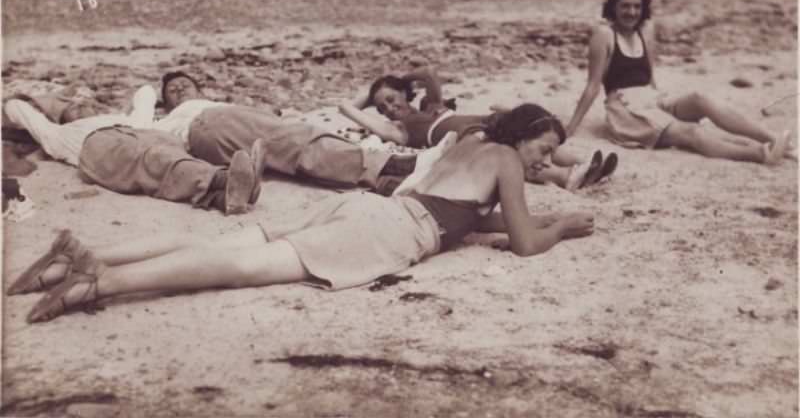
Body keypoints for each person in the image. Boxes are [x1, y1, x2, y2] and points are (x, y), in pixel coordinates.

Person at [11, 103, 595, 323]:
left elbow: (464, 215)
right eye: (543, 149)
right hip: (391, 229)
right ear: (524, 137)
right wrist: (563, 226)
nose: (544, 161)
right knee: (241, 268)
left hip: (370, 207)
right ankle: (99, 285)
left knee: (238, 248)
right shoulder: (508, 162)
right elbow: (523, 241)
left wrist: (501, 221)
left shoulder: (471, 143)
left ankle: (75, 260)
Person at [565, 0, 791, 164]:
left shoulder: (646, 30)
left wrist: (663, 105)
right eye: (625, 6)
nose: (631, 12)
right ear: (613, 7)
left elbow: (649, 75)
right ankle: (761, 155)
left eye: (637, 6)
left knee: (699, 99)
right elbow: (593, 86)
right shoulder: (603, 35)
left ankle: (773, 139)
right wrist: (570, 128)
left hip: (651, 99)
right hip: (625, 111)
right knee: (690, 133)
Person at [155, 71, 446, 194]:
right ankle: (386, 167)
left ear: (201, 90)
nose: (179, 87)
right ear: (165, 105)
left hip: (221, 130)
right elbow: (139, 105)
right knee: (292, 142)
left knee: (287, 155)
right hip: (202, 134)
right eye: (172, 90)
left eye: (184, 83)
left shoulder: (219, 104)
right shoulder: (166, 121)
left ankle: (385, 181)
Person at [3, 84, 264, 215]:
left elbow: (146, 92)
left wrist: (122, 105)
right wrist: (41, 101)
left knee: (167, 158)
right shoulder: (57, 135)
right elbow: (16, 109)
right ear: (62, 118)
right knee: (156, 160)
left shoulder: (128, 118)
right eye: (72, 107)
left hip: (141, 135)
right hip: (99, 146)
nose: (82, 106)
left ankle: (228, 198)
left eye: (86, 103)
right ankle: (227, 178)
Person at [339, 69, 617, 191]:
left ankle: (585, 165)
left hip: (488, 118)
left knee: (535, 135)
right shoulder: (400, 130)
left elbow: (428, 73)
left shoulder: (430, 104)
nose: (388, 108)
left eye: (391, 99)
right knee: (512, 150)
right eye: (381, 107)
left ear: (403, 93)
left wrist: (403, 80)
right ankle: (565, 177)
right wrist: (367, 97)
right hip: (468, 133)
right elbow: (347, 109)